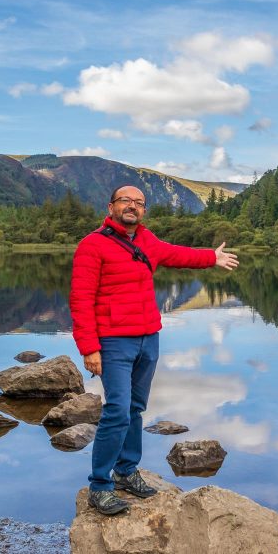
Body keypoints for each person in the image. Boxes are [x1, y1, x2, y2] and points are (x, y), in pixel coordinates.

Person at [69, 185, 239, 515]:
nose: (132, 206)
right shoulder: (92, 245)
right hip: (114, 341)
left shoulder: (148, 241)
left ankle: (127, 471)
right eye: (125, 201)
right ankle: (99, 485)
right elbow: (80, 300)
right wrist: (89, 348)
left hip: (149, 337)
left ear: (144, 210)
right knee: (117, 409)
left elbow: (180, 254)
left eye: (139, 203)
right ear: (111, 206)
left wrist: (212, 257)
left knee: (134, 407)